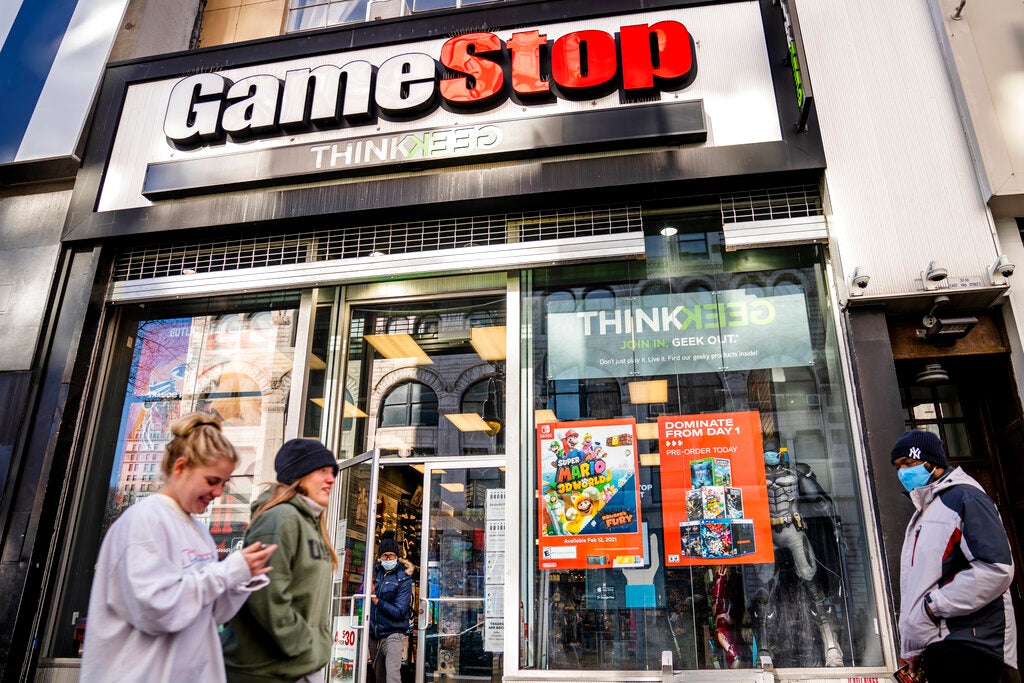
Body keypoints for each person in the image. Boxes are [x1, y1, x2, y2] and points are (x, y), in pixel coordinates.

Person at [80, 412, 276, 682]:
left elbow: (208, 614)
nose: (218, 493)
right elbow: (157, 611)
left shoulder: (198, 531)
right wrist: (228, 573)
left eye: (224, 483)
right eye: (211, 481)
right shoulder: (143, 523)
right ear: (180, 468)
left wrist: (242, 578)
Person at [891, 429, 1017, 683]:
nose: (902, 472)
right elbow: (923, 582)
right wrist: (913, 647)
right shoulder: (925, 511)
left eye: (909, 463)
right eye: (898, 466)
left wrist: (932, 606)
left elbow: (996, 568)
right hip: (943, 647)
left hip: (972, 646)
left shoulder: (965, 497)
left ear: (932, 463)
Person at [221, 438, 339, 682]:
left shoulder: (309, 522)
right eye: (322, 470)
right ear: (299, 474)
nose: (331, 479)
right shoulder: (280, 520)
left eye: (332, 472)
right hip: (267, 671)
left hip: (294, 668)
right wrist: (304, 645)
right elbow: (267, 596)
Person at [751, 445, 844, 667]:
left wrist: (835, 526)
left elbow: (819, 499)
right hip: (766, 532)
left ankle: (831, 643)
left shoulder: (796, 471)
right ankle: (764, 649)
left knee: (812, 584)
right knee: (764, 591)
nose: (770, 453)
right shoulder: (752, 472)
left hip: (792, 528)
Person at [368, 530, 413, 683]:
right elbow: (361, 594)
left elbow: (399, 612)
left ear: (397, 557)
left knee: (392, 676)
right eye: (384, 556)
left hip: (394, 633)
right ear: (379, 557)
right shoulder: (373, 572)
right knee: (379, 677)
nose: (388, 559)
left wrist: (376, 600)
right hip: (374, 633)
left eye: (391, 556)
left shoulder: (404, 578)